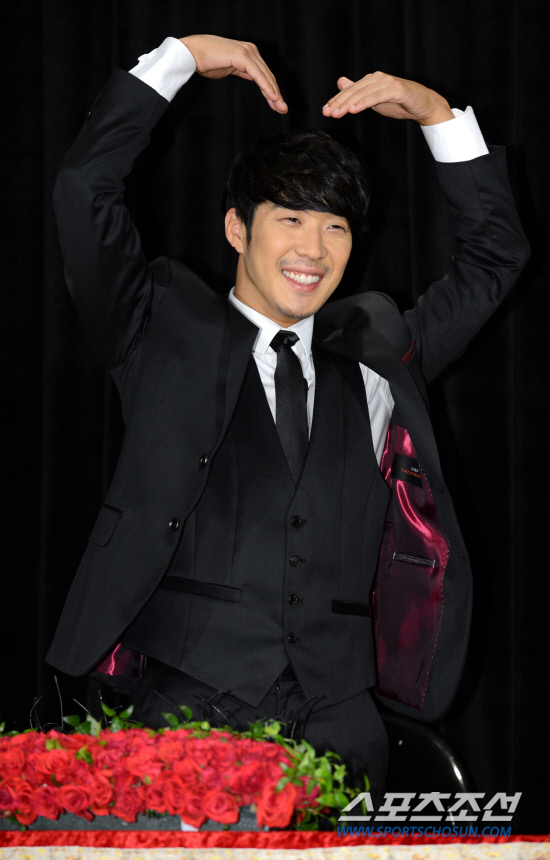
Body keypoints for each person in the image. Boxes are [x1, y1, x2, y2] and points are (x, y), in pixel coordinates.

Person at [47, 34, 529, 798]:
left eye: (336, 226)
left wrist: (438, 115)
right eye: (292, 219)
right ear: (237, 228)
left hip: (341, 732)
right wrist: (178, 59)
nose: (315, 248)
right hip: (182, 724)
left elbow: (496, 257)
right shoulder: (158, 329)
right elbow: (84, 189)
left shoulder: (380, 352)